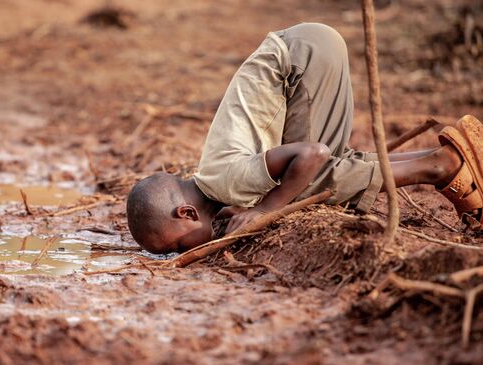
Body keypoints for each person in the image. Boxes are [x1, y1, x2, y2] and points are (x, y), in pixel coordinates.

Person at [126, 23, 483, 254]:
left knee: (310, 181)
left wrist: (266, 210)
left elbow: (312, 153)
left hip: (300, 62)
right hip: (306, 48)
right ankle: (451, 154)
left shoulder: (227, 182)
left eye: (174, 247)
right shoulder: (217, 181)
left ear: (186, 213)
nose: (180, 253)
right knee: (316, 174)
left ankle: (442, 167)